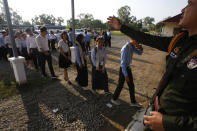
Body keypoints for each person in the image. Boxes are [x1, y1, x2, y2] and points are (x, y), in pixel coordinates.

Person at [108, 0, 197, 130]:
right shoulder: (179, 40)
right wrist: (122, 27)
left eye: (190, 3)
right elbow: (148, 39)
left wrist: (168, 123)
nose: (183, 9)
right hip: (156, 112)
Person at [111, 40, 143, 107]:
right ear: (133, 41)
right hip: (124, 69)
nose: (138, 44)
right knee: (121, 85)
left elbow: (139, 53)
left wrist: (141, 48)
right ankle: (114, 99)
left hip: (127, 68)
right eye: (138, 42)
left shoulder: (131, 47)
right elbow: (122, 64)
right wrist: (126, 75)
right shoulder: (125, 48)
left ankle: (133, 102)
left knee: (130, 85)